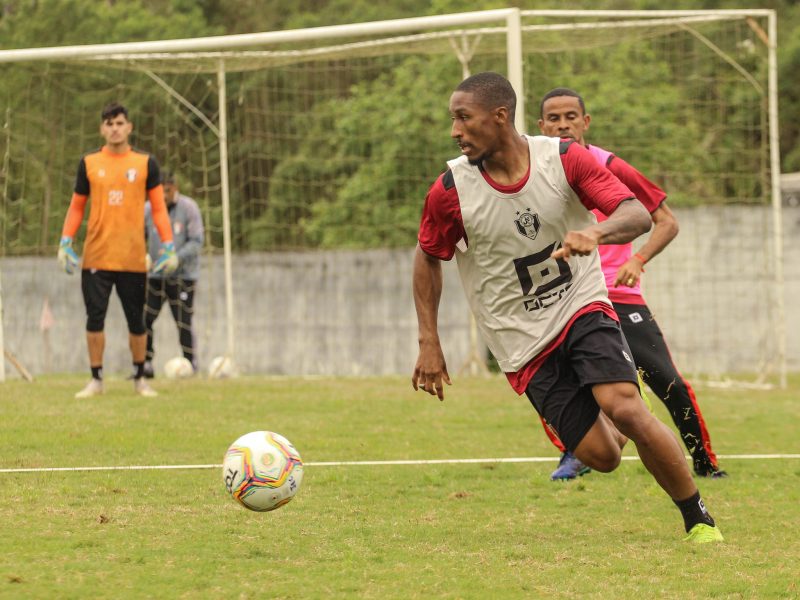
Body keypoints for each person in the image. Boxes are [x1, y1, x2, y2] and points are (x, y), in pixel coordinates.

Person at [412, 72, 723, 543]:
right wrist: (429, 342)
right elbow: (428, 258)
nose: (455, 130)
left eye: (463, 118)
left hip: (581, 303)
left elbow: (637, 213)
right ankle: (607, 424)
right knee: (603, 456)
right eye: (453, 119)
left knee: (627, 408)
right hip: (518, 337)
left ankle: (698, 518)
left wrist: (594, 233)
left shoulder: (563, 159)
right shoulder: (451, 190)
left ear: (499, 117)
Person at [537, 87, 726, 481]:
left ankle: (704, 462)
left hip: (617, 295)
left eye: (571, 116)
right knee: (552, 383)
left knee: (667, 381)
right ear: (541, 127)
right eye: (553, 119)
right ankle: (579, 451)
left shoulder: (608, 165)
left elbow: (666, 222)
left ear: (585, 122)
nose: (563, 125)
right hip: (566, 297)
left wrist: (638, 259)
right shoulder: (531, 173)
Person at [57, 102, 178, 398]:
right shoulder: (89, 163)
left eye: (120, 123)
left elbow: (160, 209)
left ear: (129, 127)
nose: (115, 128)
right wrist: (65, 241)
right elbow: (76, 205)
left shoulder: (145, 163)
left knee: (137, 321)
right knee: (94, 319)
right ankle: (96, 380)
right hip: (96, 256)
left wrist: (169, 245)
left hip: (133, 258)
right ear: (102, 128)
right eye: (109, 124)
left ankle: (140, 379)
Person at [143, 171, 204, 377]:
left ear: (174, 188)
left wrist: (176, 258)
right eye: (159, 192)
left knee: (183, 320)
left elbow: (196, 241)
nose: (163, 196)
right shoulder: (148, 209)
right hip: (155, 277)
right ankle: (145, 363)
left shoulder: (189, 208)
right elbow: (136, 235)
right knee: (144, 318)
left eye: (166, 191)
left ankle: (190, 363)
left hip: (183, 276)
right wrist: (142, 255)